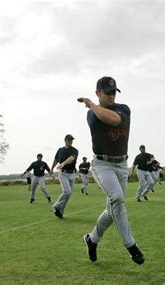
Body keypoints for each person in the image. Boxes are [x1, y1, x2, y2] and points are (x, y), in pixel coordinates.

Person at [78, 76, 144, 265]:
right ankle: (131, 246)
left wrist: (90, 103)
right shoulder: (92, 114)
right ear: (98, 92)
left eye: (114, 92)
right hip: (102, 165)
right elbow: (102, 115)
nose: (111, 96)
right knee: (117, 198)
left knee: (111, 209)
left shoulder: (123, 109)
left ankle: (92, 239)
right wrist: (92, 106)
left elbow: (114, 120)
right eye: (107, 92)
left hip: (122, 165)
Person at [50, 134, 79, 219]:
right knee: (67, 191)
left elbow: (71, 159)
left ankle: (60, 211)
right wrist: (52, 168)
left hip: (72, 174)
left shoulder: (75, 150)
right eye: (69, 140)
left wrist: (63, 163)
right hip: (63, 174)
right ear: (65, 140)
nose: (70, 141)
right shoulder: (60, 150)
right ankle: (56, 205)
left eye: (71, 140)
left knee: (68, 194)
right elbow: (56, 159)